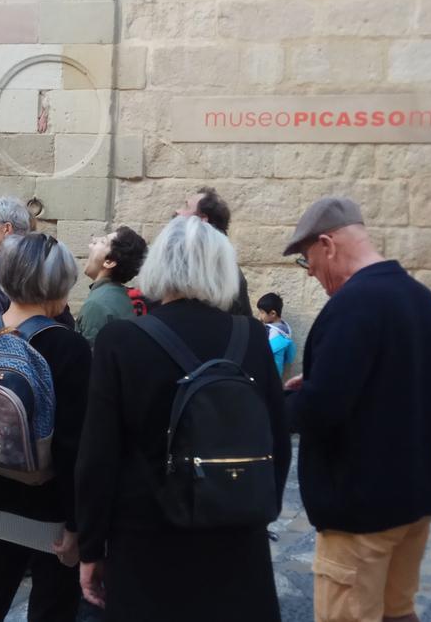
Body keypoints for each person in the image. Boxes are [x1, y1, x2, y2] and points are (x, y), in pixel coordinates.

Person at [75, 216, 291, 620]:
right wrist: (255, 508)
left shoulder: (122, 340)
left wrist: (90, 547)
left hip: (147, 539)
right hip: (235, 534)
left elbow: (98, 457)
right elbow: (277, 442)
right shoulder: (252, 338)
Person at [282, 196, 431, 622]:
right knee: (398, 613)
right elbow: (393, 384)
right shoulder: (416, 296)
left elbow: (322, 410)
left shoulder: (354, 305)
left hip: (362, 509)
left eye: (308, 261)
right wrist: (320, 383)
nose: (313, 274)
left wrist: (281, 402)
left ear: (328, 244)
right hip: (414, 499)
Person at [0, 233, 91, 622]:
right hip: (51, 511)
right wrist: (79, 525)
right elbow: (74, 445)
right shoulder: (69, 348)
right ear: (57, 284)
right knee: (52, 610)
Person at [175, 186, 252, 316]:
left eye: (186, 207)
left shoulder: (213, 269)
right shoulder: (200, 260)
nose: (178, 211)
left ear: (202, 219)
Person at [76, 226, 147, 345]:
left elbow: (91, 360)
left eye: (102, 242)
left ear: (109, 262)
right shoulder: (126, 297)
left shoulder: (96, 305)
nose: (92, 243)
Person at [256, 292, 296, 379]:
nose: (259, 316)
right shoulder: (284, 328)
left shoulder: (272, 332)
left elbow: (265, 352)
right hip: (278, 372)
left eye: (262, 313)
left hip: (269, 374)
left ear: (273, 314)